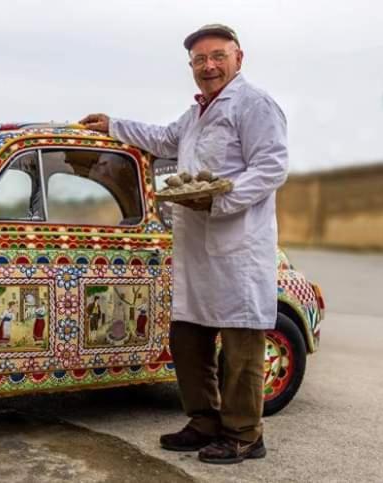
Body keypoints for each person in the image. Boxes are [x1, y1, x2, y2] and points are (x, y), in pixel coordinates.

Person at [81, 23, 288, 464]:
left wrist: (219, 199)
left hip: (237, 247)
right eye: (199, 60)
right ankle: (204, 421)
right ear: (191, 66)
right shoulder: (195, 114)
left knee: (240, 346)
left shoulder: (254, 105)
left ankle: (245, 435)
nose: (208, 66)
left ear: (238, 58)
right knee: (188, 340)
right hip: (195, 249)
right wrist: (113, 124)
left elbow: (271, 167)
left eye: (218, 56)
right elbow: (162, 139)